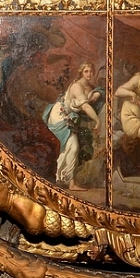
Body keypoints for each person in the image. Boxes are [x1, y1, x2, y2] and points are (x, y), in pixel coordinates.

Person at [44, 62, 104, 190]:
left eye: (91, 71)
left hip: (69, 116)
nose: (89, 74)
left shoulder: (89, 87)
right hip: (60, 113)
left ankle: (64, 179)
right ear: (81, 72)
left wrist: (98, 93)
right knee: (72, 145)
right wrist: (97, 121)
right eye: (86, 71)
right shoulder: (77, 86)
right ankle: (67, 180)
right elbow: (85, 106)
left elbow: (99, 93)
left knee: (72, 145)